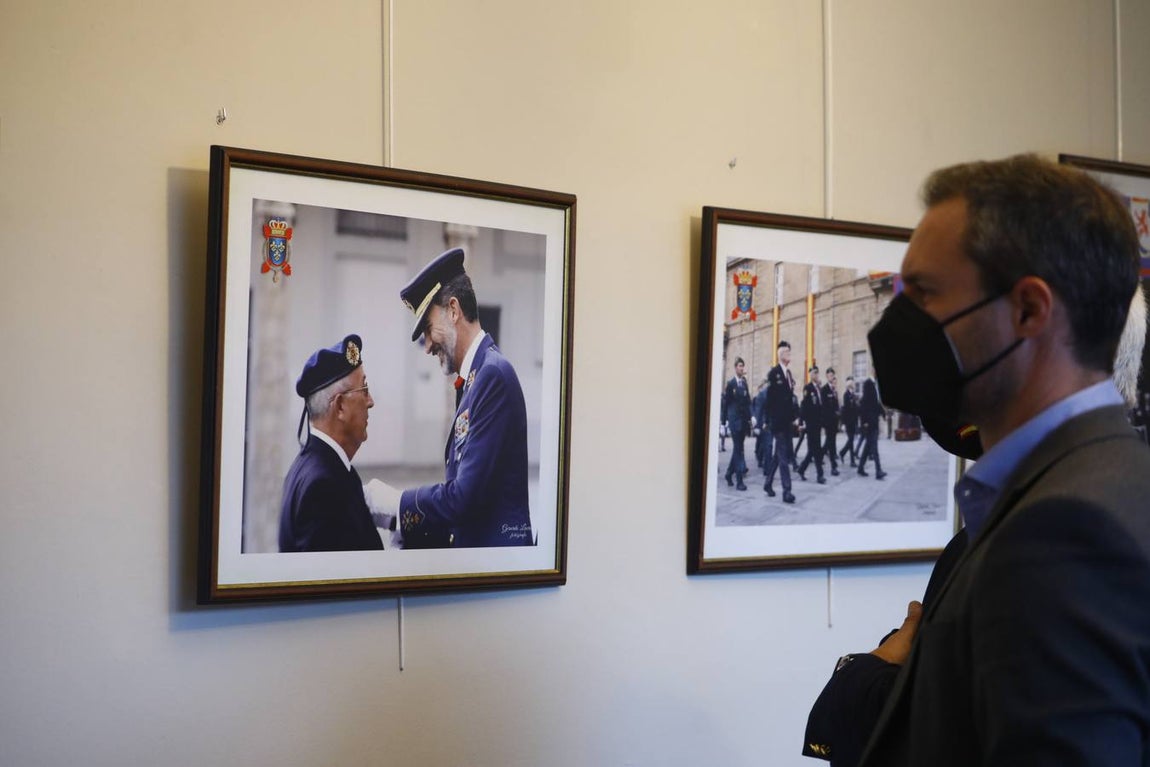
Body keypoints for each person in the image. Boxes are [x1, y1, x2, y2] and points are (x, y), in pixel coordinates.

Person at [803, 154, 1150, 767]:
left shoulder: (1066, 531)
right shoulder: (1098, 483)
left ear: (1028, 311)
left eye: (926, 294)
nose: (899, 322)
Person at [387, 247, 533, 548]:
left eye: (428, 330)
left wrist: (397, 503)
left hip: (497, 572)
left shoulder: (492, 376)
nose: (427, 346)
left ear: (453, 310)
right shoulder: (476, 378)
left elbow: (463, 498)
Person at [279, 333, 385, 552]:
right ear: (339, 407)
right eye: (364, 390)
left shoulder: (324, 469)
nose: (371, 402)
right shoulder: (323, 486)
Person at [763, 340, 798, 503]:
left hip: (787, 422)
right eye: (788, 352)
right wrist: (768, 420)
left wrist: (795, 417)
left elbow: (790, 399)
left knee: (779, 456)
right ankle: (787, 491)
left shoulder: (789, 374)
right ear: (782, 354)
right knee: (784, 458)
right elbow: (769, 400)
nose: (790, 355)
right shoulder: (774, 373)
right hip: (778, 423)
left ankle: (768, 483)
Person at [722, 357, 752, 490]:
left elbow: (748, 401)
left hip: (743, 422)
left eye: (743, 366)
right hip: (734, 422)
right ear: (735, 367)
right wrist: (724, 423)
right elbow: (726, 404)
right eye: (740, 366)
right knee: (739, 449)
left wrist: (752, 417)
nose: (742, 368)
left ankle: (729, 474)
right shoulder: (731, 384)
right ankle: (739, 481)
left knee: (737, 449)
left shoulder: (744, 383)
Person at [797, 365, 827, 483]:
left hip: (818, 424)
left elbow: (821, 406)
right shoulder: (808, 388)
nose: (815, 375)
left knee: (812, 451)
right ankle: (820, 475)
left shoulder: (818, 389)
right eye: (813, 373)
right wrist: (801, 422)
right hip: (810, 424)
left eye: (816, 373)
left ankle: (801, 469)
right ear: (810, 375)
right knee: (817, 450)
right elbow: (804, 406)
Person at [854, 378, 886, 480]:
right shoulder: (865, 400)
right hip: (869, 427)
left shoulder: (870, 400)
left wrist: (883, 414)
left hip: (873, 425)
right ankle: (878, 471)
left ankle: (860, 468)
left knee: (867, 448)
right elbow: (862, 413)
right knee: (874, 449)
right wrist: (865, 423)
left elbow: (878, 408)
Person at [821, 368, 841, 476]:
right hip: (828, 422)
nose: (831, 377)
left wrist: (838, 414)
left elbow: (836, 406)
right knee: (831, 444)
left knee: (828, 443)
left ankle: (819, 456)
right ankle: (834, 467)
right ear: (826, 376)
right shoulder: (824, 390)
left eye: (832, 375)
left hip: (834, 422)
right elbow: (823, 408)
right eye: (829, 375)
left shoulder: (834, 391)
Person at [838, 376, 859, 467]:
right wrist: (843, 423)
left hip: (854, 421)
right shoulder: (846, 395)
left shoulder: (853, 395)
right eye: (853, 384)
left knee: (851, 441)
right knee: (851, 440)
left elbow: (855, 408)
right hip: (848, 422)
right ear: (850, 385)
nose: (854, 385)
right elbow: (845, 410)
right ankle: (843, 453)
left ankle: (850, 460)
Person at [753, 378, 772, 470]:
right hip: (765, 423)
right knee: (768, 445)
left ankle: (763, 461)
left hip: (773, 422)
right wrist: (757, 426)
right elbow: (758, 410)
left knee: (766, 445)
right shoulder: (762, 394)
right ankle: (767, 468)